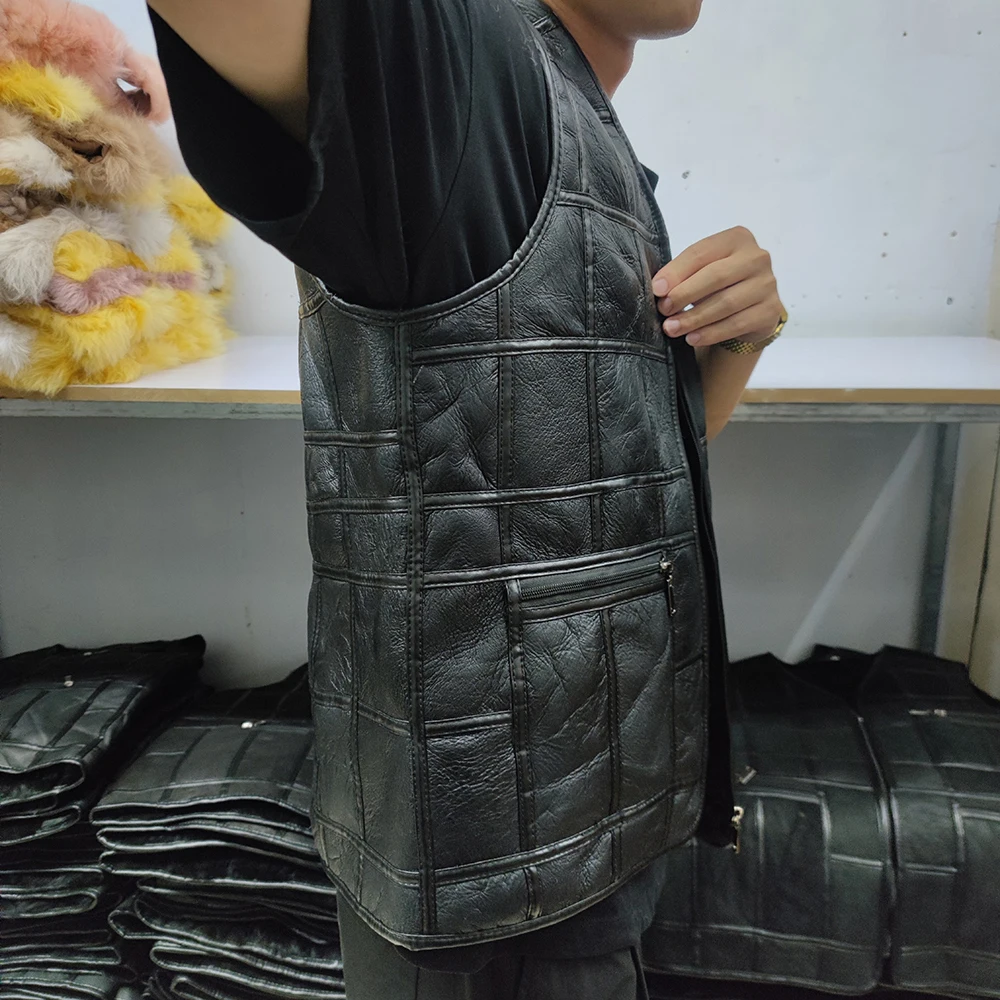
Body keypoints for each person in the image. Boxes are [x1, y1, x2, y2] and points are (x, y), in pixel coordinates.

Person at [144, 0, 785, 996]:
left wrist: (733, 350)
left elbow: (603, 469)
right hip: (485, 898)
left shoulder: (583, 128)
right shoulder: (460, 78)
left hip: (594, 824)